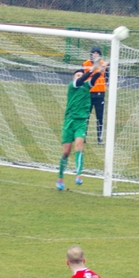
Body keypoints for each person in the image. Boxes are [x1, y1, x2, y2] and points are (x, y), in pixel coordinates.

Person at [56, 61, 106, 190]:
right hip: (69, 121)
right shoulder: (72, 86)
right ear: (74, 78)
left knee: (79, 146)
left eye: (81, 75)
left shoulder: (86, 86)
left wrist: (100, 70)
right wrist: (92, 69)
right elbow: (83, 78)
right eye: (77, 75)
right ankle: (60, 177)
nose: (80, 76)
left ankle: (79, 174)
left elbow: (93, 79)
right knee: (66, 152)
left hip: (81, 122)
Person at [82, 46, 107, 145]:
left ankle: (99, 138)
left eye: (97, 53)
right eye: (94, 53)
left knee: (100, 117)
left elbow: (107, 78)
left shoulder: (104, 64)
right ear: (91, 54)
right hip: (88, 93)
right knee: (86, 116)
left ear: (100, 55)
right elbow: (82, 77)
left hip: (100, 93)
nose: (95, 55)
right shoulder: (85, 64)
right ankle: (83, 136)